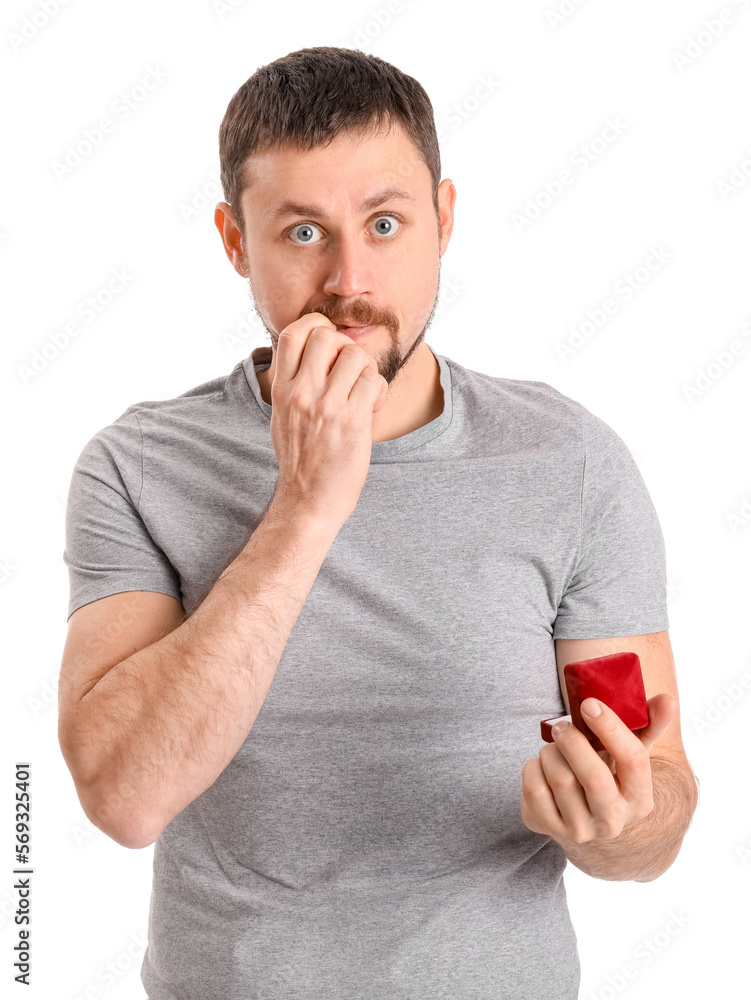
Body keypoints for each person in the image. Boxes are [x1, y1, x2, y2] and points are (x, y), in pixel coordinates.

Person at [58, 46, 697, 1000]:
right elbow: (123, 796)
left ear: (444, 220)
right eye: (302, 232)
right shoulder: (137, 466)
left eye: (385, 224)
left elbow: (658, 799)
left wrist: (618, 824)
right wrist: (305, 507)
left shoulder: (569, 462)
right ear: (235, 242)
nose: (349, 279)